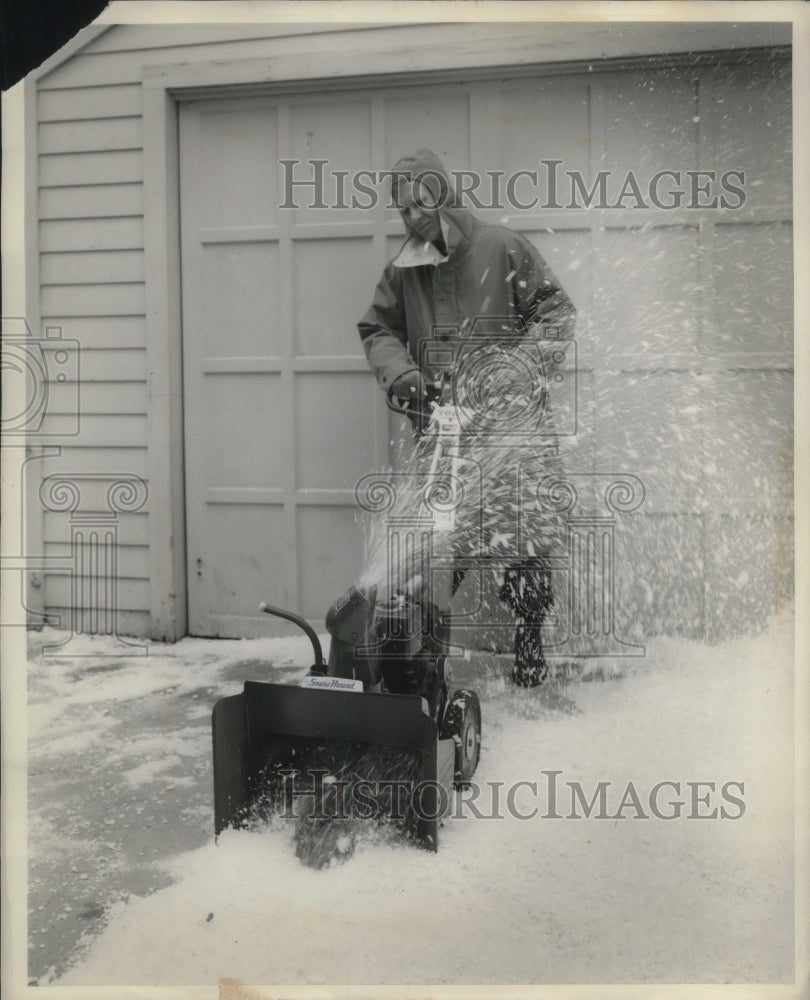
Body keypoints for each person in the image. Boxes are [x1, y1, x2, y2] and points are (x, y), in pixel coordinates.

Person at [357, 148, 576, 686]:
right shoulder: (403, 270)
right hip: (445, 436)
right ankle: (421, 658)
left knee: (523, 541)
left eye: (420, 205)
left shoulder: (501, 247)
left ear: (445, 196)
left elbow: (555, 313)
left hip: (512, 433)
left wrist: (520, 366)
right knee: (438, 547)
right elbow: (377, 330)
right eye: (401, 209)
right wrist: (403, 375)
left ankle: (529, 643)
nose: (411, 219)